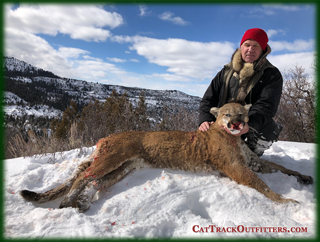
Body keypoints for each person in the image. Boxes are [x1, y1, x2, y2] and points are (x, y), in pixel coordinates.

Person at [198, 28, 283, 156]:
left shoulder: (271, 75)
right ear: (241, 47)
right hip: (224, 123)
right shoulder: (225, 72)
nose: (250, 49)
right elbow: (208, 99)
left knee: (267, 129)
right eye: (247, 45)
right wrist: (205, 120)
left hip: (248, 125)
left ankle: (250, 153)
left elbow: (266, 105)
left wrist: (250, 125)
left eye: (256, 46)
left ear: (263, 50)